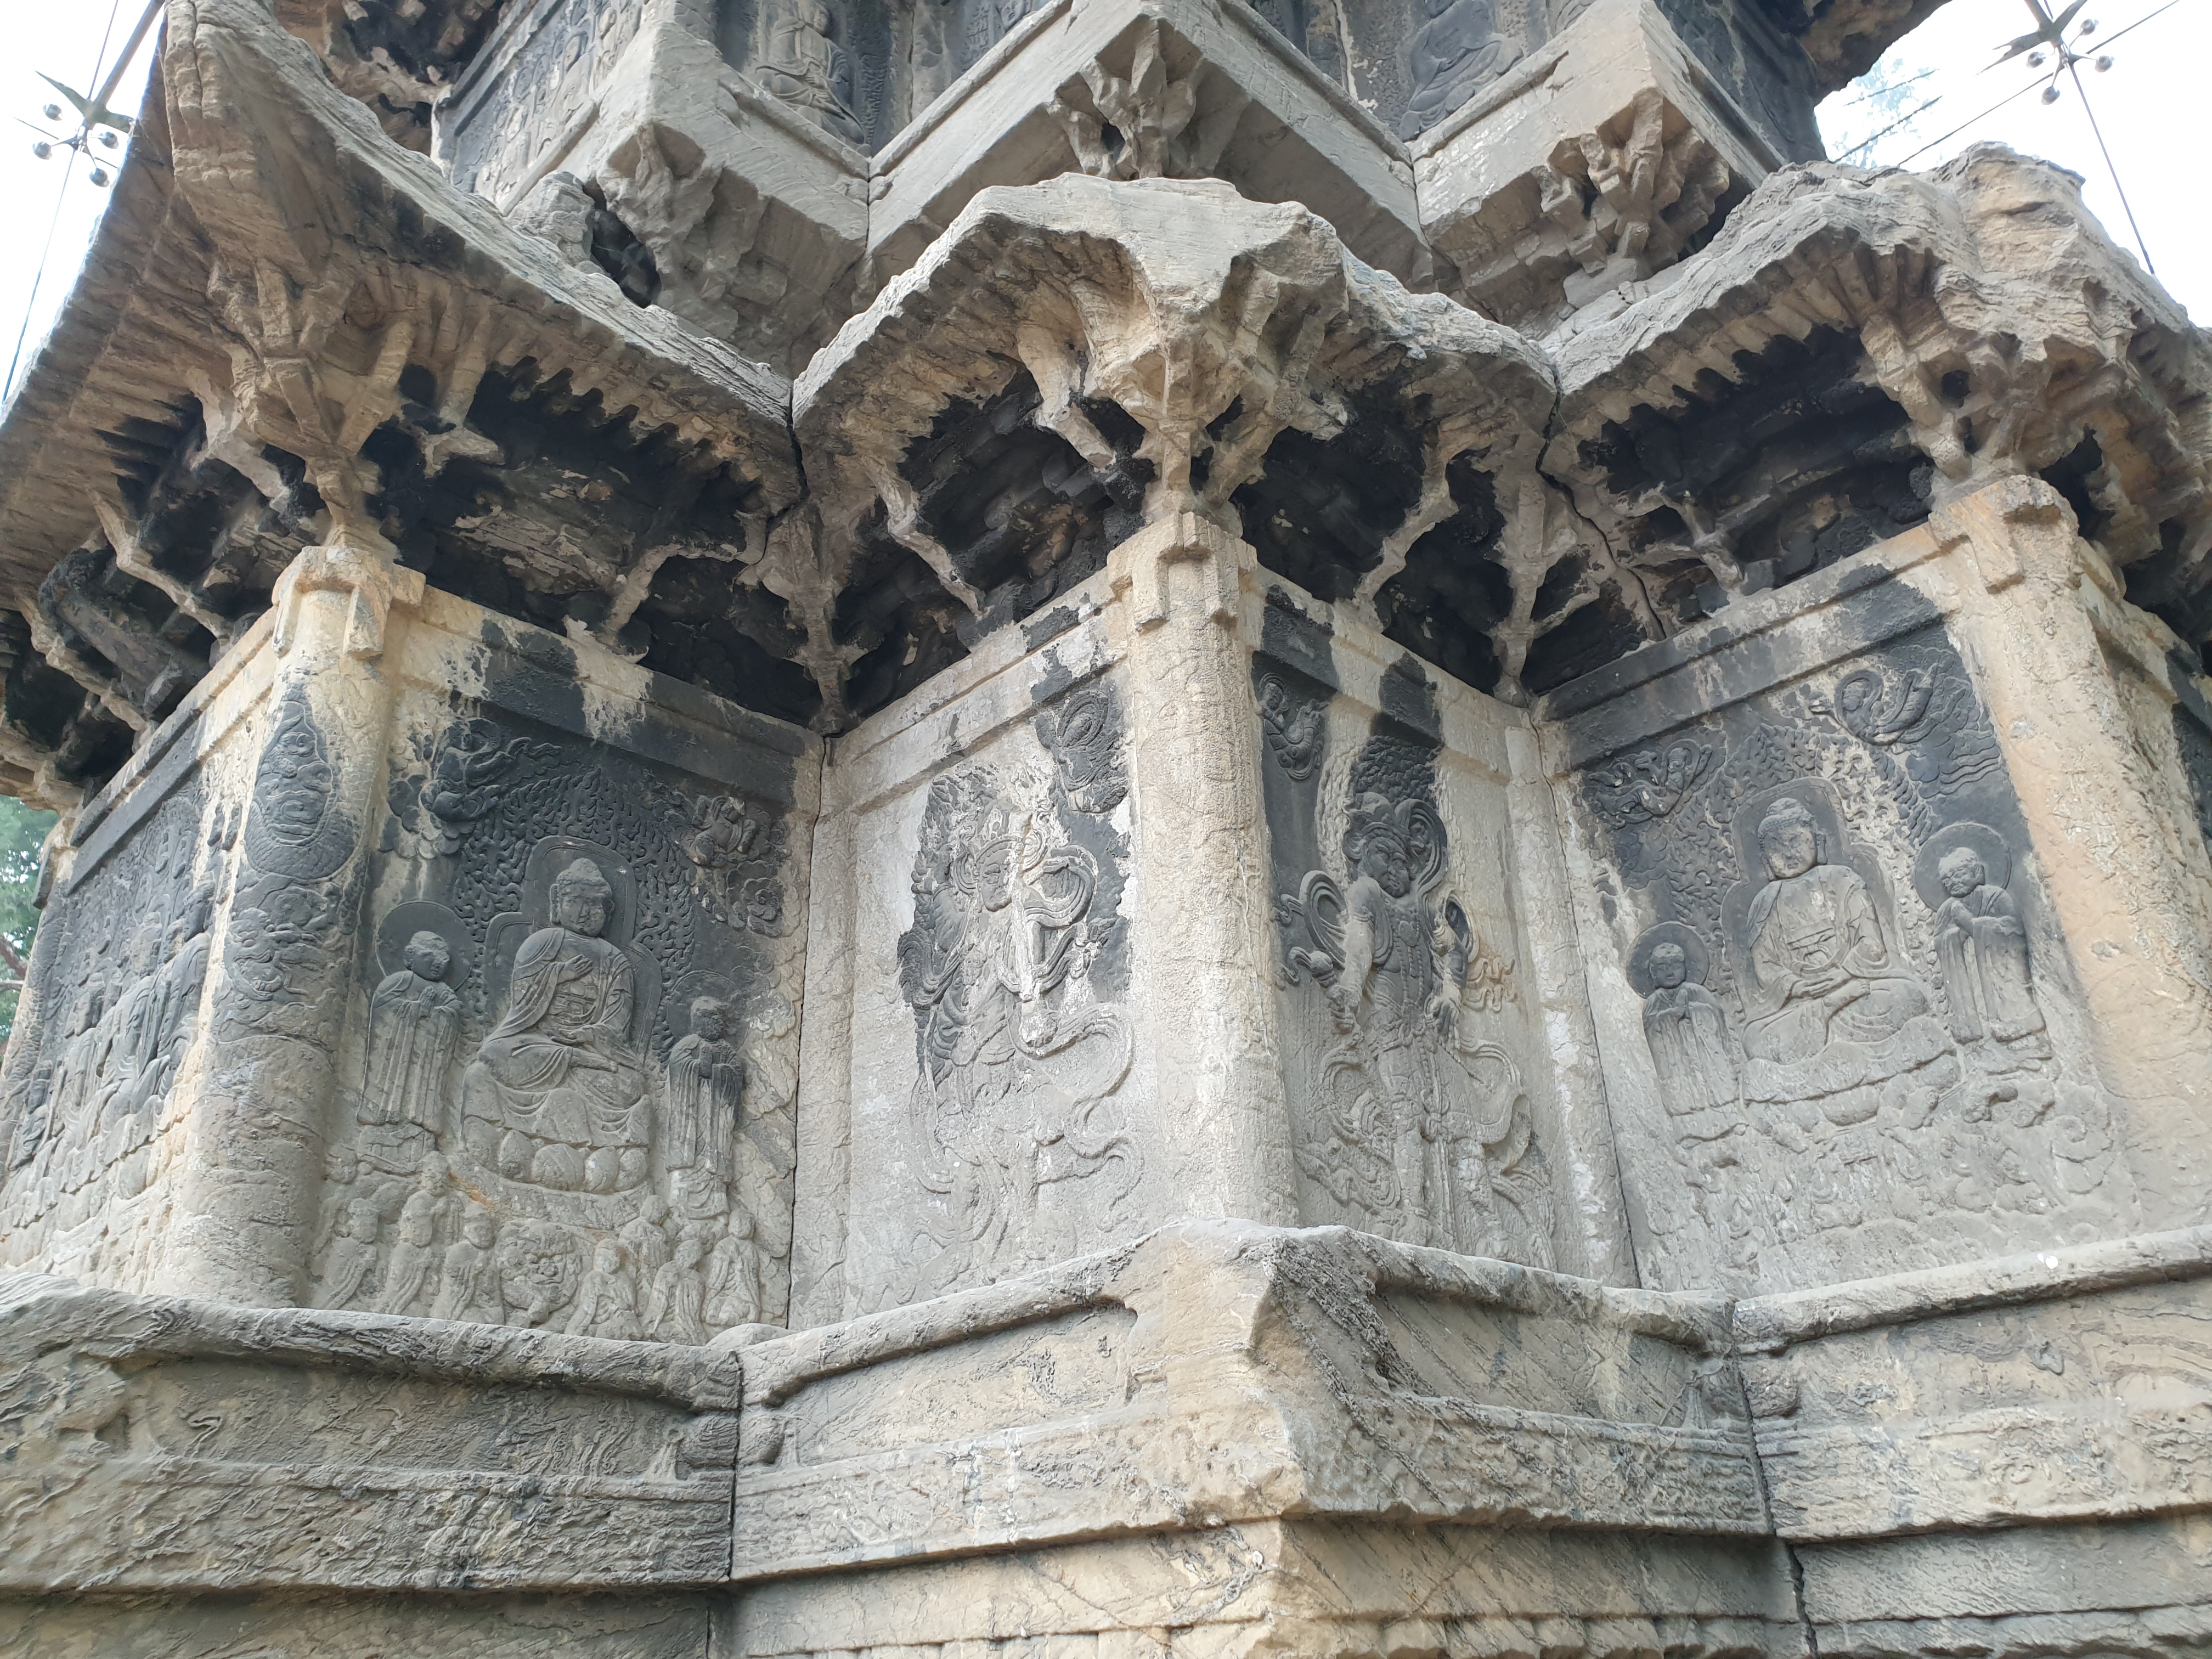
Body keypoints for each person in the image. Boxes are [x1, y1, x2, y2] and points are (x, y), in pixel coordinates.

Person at [464, 860, 648, 1193]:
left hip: (591, 1051)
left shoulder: (614, 960)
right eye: (575, 901)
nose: (584, 913)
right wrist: (558, 975)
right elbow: (522, 1006)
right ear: (556, 902)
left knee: (632, 1085)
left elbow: (616, 1022)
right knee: (494, 1055)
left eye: (594, 905)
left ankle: (578, 1066)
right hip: (539, 1043)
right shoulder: (542, 943)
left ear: (607, 911)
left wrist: (585, 1035)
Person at [1395, 0, 1522, 139]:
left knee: (1502, 46)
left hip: (1475, 57)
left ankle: (1465, 87)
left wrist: (1465, 48)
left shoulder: (1468, 4)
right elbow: (1421, 63)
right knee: (1417, 104)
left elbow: (1483, 30)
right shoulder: (1424, 34)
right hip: (1445, 78)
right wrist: (1440, 65)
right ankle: (1463, 88)